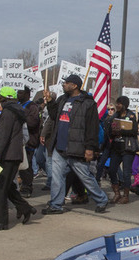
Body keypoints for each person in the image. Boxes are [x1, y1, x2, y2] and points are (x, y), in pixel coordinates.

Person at [40, 74, 109, 215]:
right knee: (57, 178)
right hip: (60, 148)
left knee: (85, 177)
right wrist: (50, 101)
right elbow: (54, 116)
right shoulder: (62, 99)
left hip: (76, 148)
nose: (64, 85)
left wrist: (90, 148)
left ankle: (102, 199)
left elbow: (92, 128)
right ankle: (56, 205)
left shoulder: (88, 103)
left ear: (75, 85)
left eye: (66, 83)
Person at [0, 87, 37, 230]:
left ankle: (0, 222)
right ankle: (25, 208)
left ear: (3, 99)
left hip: (8, 155)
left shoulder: (8, 113)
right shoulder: (15, 110)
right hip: (12, 154)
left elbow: (3, 136)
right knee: (8, 186)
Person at [105, 95, 139, 204]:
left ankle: (126, 195)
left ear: (124, 105)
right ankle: (116, 193)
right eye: (117, 103)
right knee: (112, 169)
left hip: (127, 148)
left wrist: (121, 131)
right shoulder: (115, 115)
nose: (117, 106)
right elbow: (110, 129)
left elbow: (134, 131)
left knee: (126, 172)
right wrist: (111, 130)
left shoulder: (131, 116)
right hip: (116, 147)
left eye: (119, 104)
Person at [17, 87, 40, 198]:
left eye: (20, 92)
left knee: (27, 166)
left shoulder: (33, 107)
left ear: (27, 94)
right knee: (20, 166)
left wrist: (19, 118)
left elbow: (32, 123)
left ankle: (27, 187)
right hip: (18, 141)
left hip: (29, 141)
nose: (18, 94)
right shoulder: (17, 105)